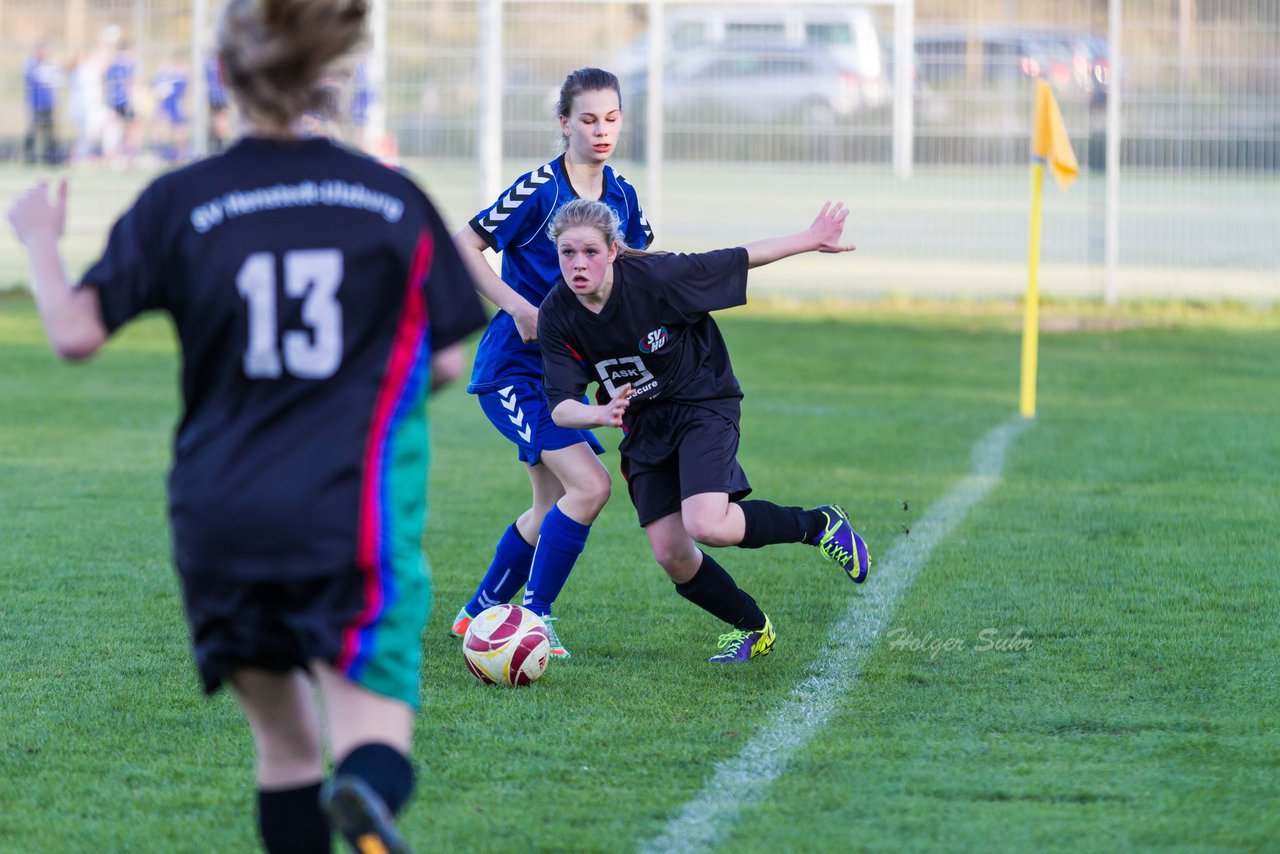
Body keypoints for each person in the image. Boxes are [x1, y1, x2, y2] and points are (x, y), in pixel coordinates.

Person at [7, 1, 486, 851]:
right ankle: (367, 791)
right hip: (343, 512)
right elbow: (448, 359)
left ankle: (331, 803)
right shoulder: (388, 199)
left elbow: (75, 332)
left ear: (221, 79)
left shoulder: (181, 199)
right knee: (372, 735)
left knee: (284, 748)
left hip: (219, 514)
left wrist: (41, 239)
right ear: (326, 76)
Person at [536, 198, 871, 664]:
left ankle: (819, 524)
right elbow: (561, 409)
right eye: (567, 253)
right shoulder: (556, 313)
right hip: (644, 425)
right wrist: (600, 414)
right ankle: (753, 628)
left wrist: (811, 239)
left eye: (590, 252)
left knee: (707, 523)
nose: (578, 264)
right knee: (671, 553)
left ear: (613, 250)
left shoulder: (659, 279)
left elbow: (741, 256)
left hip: (702, 401)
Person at [449, 67, 654, 658]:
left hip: (567, 378)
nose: (601, 130)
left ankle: (477, 613)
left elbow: (639, 268)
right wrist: (518, 307)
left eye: (611, 118)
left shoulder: (622, 196)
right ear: (564, 124)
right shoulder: (539, 189)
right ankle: (532, 619)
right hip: (515, 373)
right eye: (588, 119)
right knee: (589, 487)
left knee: (549, 506)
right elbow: (461, 244)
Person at [23, 42, 63, 165]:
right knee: (33, 129)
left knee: (49, 130)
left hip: (48, 102)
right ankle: (30, 157)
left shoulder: (51, 64)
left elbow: (58, 79)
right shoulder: (30, 64)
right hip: (36, 103)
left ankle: (50, 157)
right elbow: (33, 77)